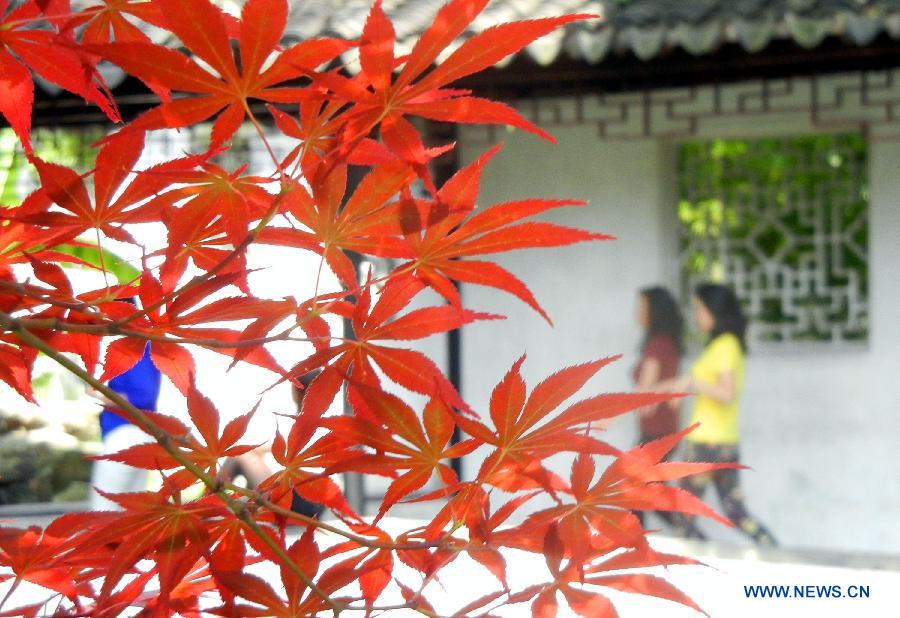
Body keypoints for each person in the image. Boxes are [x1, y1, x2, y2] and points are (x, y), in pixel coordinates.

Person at [660, 283, 777, 546]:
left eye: (700, 309)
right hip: (723, 443)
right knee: (735, 512)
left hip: (706, 444)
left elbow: (726, 393)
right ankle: (774, 551)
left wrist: (695, 384)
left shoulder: (725, 346)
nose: (696, 315)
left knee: (682, 515)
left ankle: (703, 567)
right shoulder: (722, 345)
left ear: (715, 311)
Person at [632, 286, 684, 527]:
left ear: (655, 312)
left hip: (656, 431)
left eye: (642, 307)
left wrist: (609, 414)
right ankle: (685, 528)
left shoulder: (656, 345)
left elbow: (645, 396)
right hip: (665, 429)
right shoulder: (666, 343)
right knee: (645, 488)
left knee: (634, 486)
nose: (637, 312)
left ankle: (635, 544)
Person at [89, 340, 161, 510]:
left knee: (103, 510)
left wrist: (96, 392)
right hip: (138, 433)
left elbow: (142, 396)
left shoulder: (135, 348)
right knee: (129, 513)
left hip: (126, 433)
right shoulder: (142, 349)